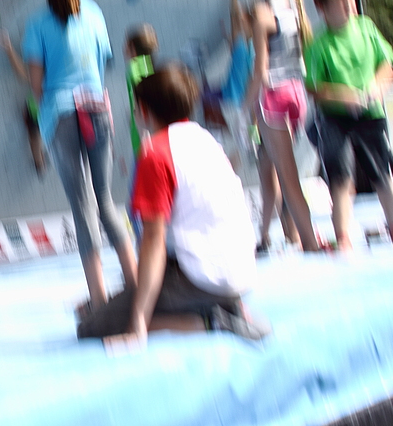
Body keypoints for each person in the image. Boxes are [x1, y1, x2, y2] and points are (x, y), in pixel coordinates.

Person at [78, 65, 267, 348]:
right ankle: (225, 307)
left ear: (142, 111)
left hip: (200, 278)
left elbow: (154, 239)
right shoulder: (205, 139)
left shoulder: (156, 152)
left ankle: (209, 322)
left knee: (92, 326)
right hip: (240, 274)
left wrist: (138, 321)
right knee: (112, 304)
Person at [21, 0, 137, 308]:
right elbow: (99, 65)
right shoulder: (95, 12)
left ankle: (100, 299)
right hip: (97, 108)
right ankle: (138, 287)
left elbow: (37, 85)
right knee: (105, 200)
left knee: (82, 205)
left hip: (61, 113)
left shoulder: (36, 23)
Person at [305, 0, 393, 249]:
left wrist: (375, 88)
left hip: (370, 115)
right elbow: (314, 88)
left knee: (382, 174)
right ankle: (344, 239)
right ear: (323, 8)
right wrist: (346, 96)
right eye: (340, 0)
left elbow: (387, 67)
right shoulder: (319, 45)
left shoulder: (367, 28)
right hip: (334, 120)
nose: (349, 3)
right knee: (340, 179)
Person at [243, 0, 320, 253]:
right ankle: (290, 235)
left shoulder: (262, 11)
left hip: (272, 95)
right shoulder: (293, 5)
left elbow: (261, 69)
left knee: (288, 179)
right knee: (276, 167)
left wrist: (246, 105)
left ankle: (310, 243)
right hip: (295, 93)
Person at [224, 0, 299, 251]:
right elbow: (235, 15)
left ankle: (281, 231)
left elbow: (260, 81)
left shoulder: (252, 48)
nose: (239, 23)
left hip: (257, 115)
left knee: (274, 175)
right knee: (270, 177)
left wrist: (249, 115)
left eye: (243, 20)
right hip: (253, 117)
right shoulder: (242, 44)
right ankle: (270, 234)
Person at [0, 29, 48, 175]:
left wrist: (9, 49)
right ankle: (39, 163)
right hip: (39, 107)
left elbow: (24, 75)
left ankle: (40, 163)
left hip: (40, 107)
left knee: (34, 134)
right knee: (34, 134)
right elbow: (24, 75)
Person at [124, 23, 157, 161]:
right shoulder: (149, 64)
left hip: (141, 134)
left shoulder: (133, 67)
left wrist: (135, 119)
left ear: (132, 48)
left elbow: (140, 99)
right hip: (152, 130)